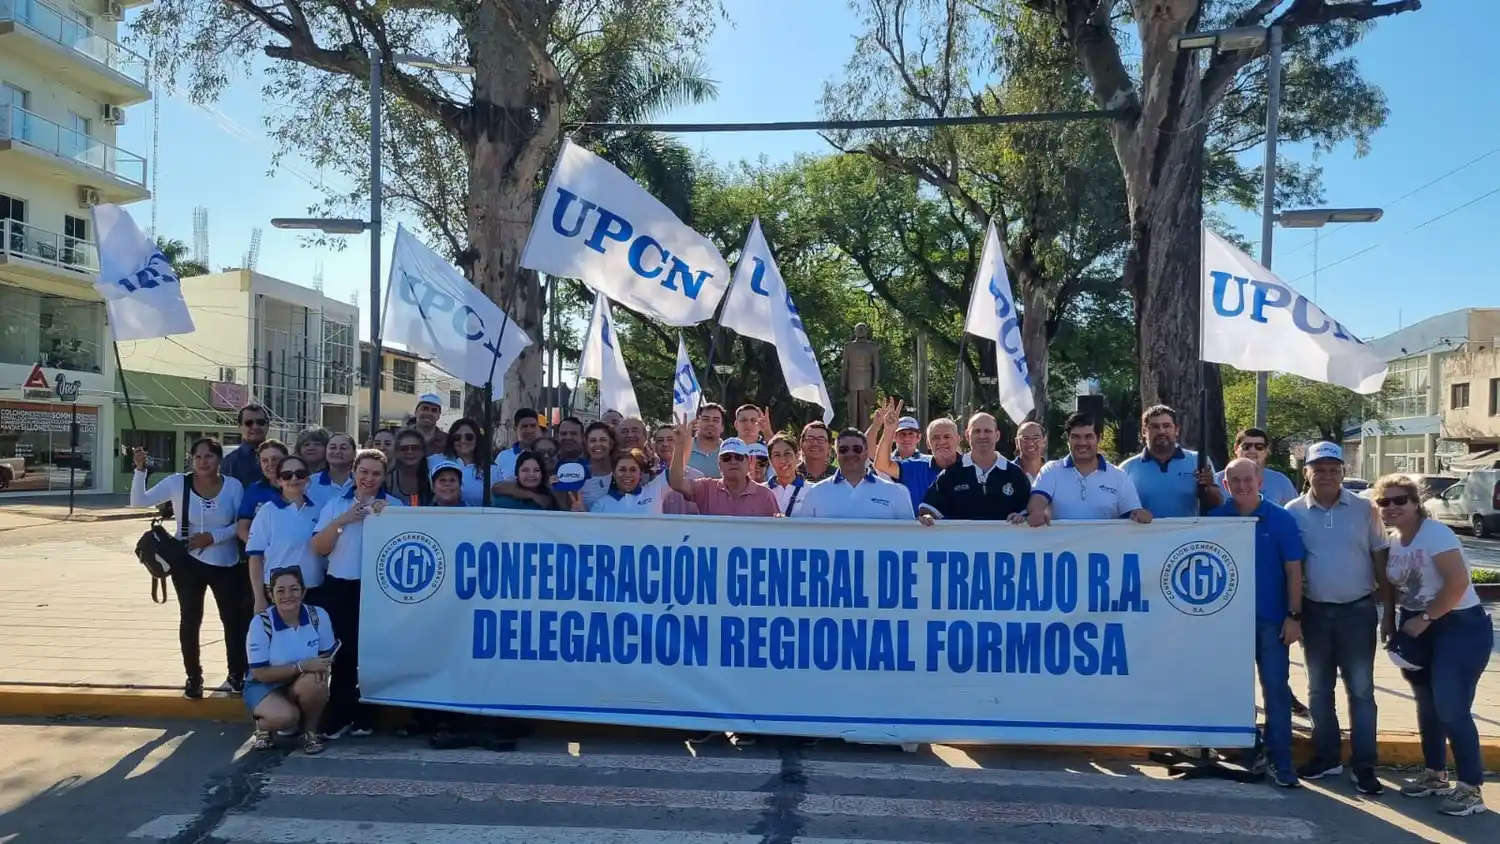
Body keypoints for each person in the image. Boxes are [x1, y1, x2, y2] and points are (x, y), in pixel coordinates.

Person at [1376, 474, 1492, 817]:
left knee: (1451, 707)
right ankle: (1435, 775)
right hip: (1416, 627)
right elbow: (1392, 586)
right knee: (1427, 705)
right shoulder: (1395, 541)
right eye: (1384, 501)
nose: (1392, 507)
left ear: (1416, 503)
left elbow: (1458, 583)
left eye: (1400, 500)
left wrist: (1426, 618)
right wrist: (1389, 619)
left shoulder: (1435, 533)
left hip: (1458, 626)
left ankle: (1470, 789)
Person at [1284, 442, 1387, 793]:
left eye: (1333, 469)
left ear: (1343, 472)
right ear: (1306, 472)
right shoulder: (1293, 511)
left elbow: (1380, 556)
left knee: (1361, 690)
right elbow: (1291, 566)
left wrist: (1388, 611)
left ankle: (1364, 765)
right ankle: (1327, 756)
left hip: (1358, 611)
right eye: (1319, 469)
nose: (1326, 475)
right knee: (1318, 689)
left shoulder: (1365, 508)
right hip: (1315, 611)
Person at [1210, 459, 1306, 788]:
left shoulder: (1281, 519)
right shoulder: (1215, 519)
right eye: (1234, 481)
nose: (1242, 486)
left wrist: (1294, 616)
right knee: (1234, 690)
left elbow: (1294, 570)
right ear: (1225, 486)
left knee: (1276, 690)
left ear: (1259, 481)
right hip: (1229, 624)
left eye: (1247, 479)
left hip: (1272, 620)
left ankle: (1281, 759)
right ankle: (1249, 749)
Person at [131, 438, 249, 699]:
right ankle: (194, 677)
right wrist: (140, 470)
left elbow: (240, 524)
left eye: (209, 456)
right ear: (191, 459)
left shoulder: (233, 486)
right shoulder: (177, 483)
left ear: (219, 459)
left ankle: (236, 673)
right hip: (187, 563)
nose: (203, 462)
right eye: (198, 457)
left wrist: (213, 537)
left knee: (232, 620)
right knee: (190, 620)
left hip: (225, 563)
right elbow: (139, 501)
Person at [311, 448, 401, 739]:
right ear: (353, 472)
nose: (369, 478)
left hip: (379, 590)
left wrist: (388, 518)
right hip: (341, 586)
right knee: (343, 654)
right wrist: (344, 520)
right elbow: (319, 547)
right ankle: (339, 714)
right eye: (363, 472)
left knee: (372, 654)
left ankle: (366, 715)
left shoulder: (394, 506)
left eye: (376, 473)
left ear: (384, 476)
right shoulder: (336, 504)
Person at [244, 566, 335, 756]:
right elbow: (260, 673)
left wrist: (320, 668)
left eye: (294, 589)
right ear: (271, 594)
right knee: (286, 718)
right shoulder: (261, 623)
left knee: (317, 681)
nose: (288, 595)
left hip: (301, 680)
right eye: (280, 590)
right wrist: (300, 667)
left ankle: (310, 732)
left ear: (304, 592)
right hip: (264, 683)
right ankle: (263, 726)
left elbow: (326, 657)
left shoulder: (318, 616)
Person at [1027, 413, 1149, 525]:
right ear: (1068, 439)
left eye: (1088, 436)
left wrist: (1140, 515)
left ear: (1099, 438)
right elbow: (1038, 500)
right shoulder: (1051, 470)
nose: (1082, 443)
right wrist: (1037, 512)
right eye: (1075, 437)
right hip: (1059, 543)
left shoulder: (1119, 476)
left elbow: (1132, 513)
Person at [916, 412, 1030, 525]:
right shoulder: (950, 474)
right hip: (962, 538)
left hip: (1004, 537)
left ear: (997, 435)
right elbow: (927, 509)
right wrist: (927, 517)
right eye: (976, 431)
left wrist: (1021, 517)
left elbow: (1029, 512)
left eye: (987, 431)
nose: (982, 435)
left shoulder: (1015, 473)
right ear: (967, 435)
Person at [246, 455, 325, 613]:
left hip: (315, 590)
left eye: (300, 474)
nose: (294, 478)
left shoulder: (320, 509)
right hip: (279, 594)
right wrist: (259, 598)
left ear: (307, 479)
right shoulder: (267, 511)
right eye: (287, 475)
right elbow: (255, 557)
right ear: (278, 481)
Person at [1120, 404, 1220, 517]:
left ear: (1176, 430)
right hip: (1144, 529)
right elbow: (1119, 510)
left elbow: (1217, 503)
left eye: (1167, 426)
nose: (1161, 431)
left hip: (1188, 529)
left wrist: (1209, 486)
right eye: (1155, 427)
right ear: (1144, 431)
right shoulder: (1127, 468)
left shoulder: (1198, 461)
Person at [798, 428, 914, 520]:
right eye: (843, 450)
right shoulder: (815, 492)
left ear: (866, 453)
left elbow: (909, 535)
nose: (850, 454)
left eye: (857, 449)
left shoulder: (896, 492)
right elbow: (803, 535)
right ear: (836, 454)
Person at [668, 427, 778, 517]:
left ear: (748, 462)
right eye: (726, 458)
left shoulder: (765, 495)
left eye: (738, 457)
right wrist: (679, 446)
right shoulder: (706, 489)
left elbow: (776, 529)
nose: (733, 461)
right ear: (719, 464)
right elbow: (677, 483)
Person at [873, 399, 962, 506]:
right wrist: (888, 430)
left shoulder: (973, 467)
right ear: (928, 444)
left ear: (958, 440)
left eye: (947, 436)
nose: (941, 441)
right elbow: (882, 465)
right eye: (936, 437)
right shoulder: (915, 467)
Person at [1217, 427, 1298, 506]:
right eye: (1246, 447)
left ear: (1266, 451)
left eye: (1259, 447)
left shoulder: (1281, 482)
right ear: (1236, 448)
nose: (1252, 451)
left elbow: (1293, 511)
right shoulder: (1217, 480)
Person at [428, 418, 491, 506]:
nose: (463, 441)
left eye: (469, 437)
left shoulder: (491, 469)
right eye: (457, 437)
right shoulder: (434, 460)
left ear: (477, 439)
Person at [237, 440, 289, 544]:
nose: (270, 464)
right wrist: (259, 548)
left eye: (275, 459)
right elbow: (242, 529)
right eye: (265, 460)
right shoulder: (254, 490)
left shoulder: (298, 486)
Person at [588, 448, 670, 515]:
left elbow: (674, 473)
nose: (627, 474)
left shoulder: (655, 489)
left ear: (640, 473)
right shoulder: (600, 505)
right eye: (622, 470)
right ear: (614, 473)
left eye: (633, 470)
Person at [220, 403, 272, 489]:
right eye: (249, 423)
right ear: (240, 426)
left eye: (260, 422)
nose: (255, 427)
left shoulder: (281, 458)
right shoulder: (230, 463)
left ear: (267, 425)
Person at [493, 451, 561, 510]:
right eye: (525, 470)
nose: (531, 474)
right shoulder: (503, 501)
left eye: (536, 470)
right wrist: (533, 496)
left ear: (542, 473)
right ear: (517, 473)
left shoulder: (551, 496)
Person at [308, 433, 357, 509]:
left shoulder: (361, 482)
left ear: (354, 453)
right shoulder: (310, 482)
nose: (337, 451)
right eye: (333, 448)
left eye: (343, 448)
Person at [493, 408, 541, 482]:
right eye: (524, 426)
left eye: (533, 426)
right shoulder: (503, 457)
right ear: (515, 428)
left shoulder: (545, 455)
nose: (529, 431)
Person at [765, 434, 808, 517]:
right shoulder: (761, 491)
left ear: (797, 456)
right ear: (770, 461)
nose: (782, 460)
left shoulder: (812, 491)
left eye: (787, 453)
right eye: (777, 455)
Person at [689, 403, 728, 477]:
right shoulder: (683, 449)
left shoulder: (729, 453)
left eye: (715, 420)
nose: (710, 423)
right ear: (697, 423)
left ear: (722, 427)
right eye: (706, 419)